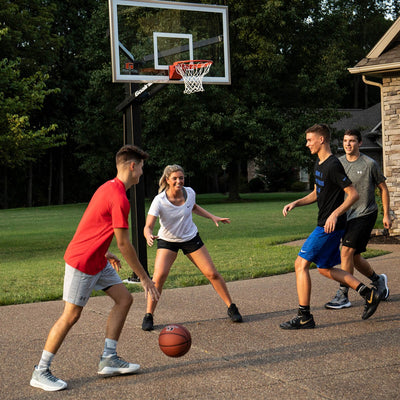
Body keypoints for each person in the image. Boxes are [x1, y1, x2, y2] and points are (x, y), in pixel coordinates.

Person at [30, 145, 160, 392]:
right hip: (83, 262)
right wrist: (144, 278)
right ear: (132, 166)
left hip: (98, 258)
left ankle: (109, 359)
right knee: (71, 315)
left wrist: (104, 250)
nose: (142, 172)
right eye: (141, 167)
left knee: (123, 300)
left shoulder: (108, 187)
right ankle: (40, 371)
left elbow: (93, 224)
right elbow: (124, 243)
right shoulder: (119, 197)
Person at [280, 124, 382, 330]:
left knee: (300, 264)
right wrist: (296, 202)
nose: (307, 143)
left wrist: (335, 214)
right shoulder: (319, 163)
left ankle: (304, 316)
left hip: (329, 227)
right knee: (325, 269)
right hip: (326, 224)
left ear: (321, 140)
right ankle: (368, 293)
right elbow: (317, 193)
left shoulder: (333, 165)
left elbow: (353, 194)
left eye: (310, 140)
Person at [141, 164, 242, 331]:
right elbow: (148, 225)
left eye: (181, 178)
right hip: (168, 240)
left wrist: (212, 217)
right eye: (175, 178)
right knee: (158, 277)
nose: (179, 181)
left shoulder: (190, 192)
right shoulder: (159, 200)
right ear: (167, 180)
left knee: (212, 273)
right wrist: (147, 234)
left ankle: (231, 307)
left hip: (190, 237)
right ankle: (149, 315)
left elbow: (193, 206)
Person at [325, 129, 391, 309]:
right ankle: (378, 281)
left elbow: (383, 189)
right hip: (346, 215)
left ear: (360, 143)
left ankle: (343, 295)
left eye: (352, 141)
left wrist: (387, 214)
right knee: (354, 257)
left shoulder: (370, 164)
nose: (348, 144)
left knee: (345, 252)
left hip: (365, 213)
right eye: (345, 141)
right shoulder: (338, 164)